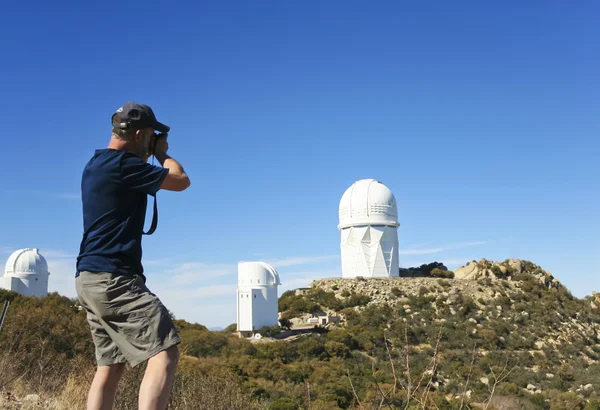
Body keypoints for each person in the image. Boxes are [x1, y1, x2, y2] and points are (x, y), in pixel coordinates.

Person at [75, 102, 191, 410]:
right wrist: (162, 153)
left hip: (88, 278)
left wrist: (148, 149)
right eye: (151, 135)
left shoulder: (95, 163)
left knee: (110, 367)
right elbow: (180, 181)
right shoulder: (125, 166)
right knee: (165, 351)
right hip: (114, 279)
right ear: (139, 135)